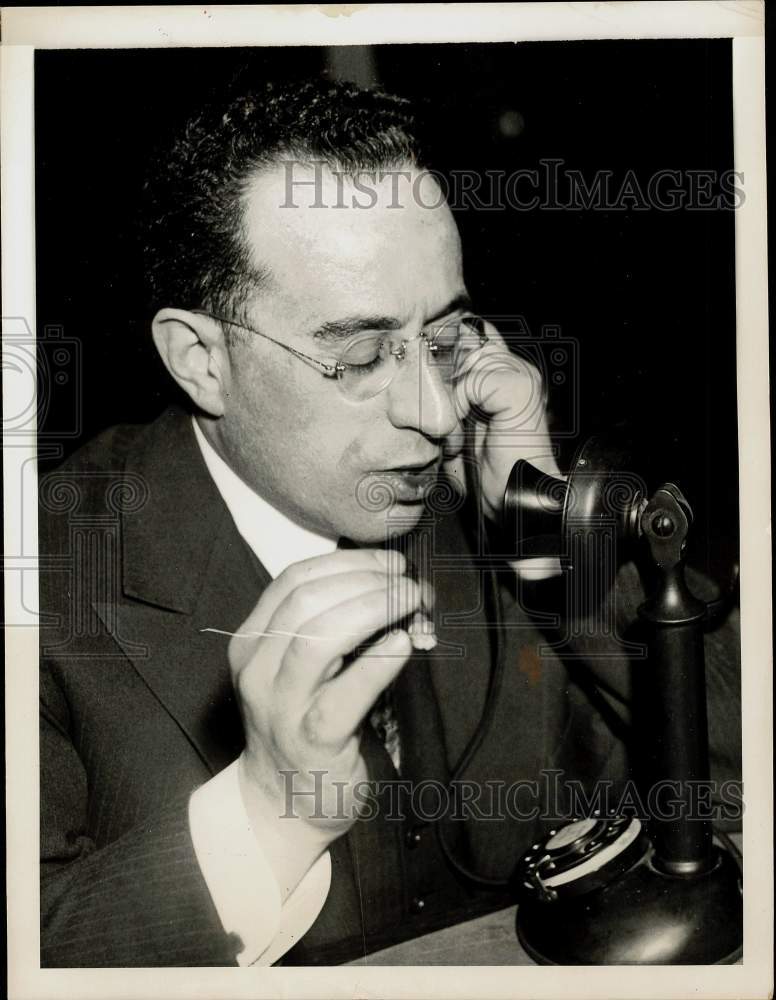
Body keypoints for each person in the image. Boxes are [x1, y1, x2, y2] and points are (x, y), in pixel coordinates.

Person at [38, 77, 741, 967]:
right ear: (201, 360)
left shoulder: (478, 491)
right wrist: (269, 812)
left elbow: (739, 776)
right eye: (363, 355)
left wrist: (557, 550)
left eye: (444, 339)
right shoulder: (46, 573)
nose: (437, 412)